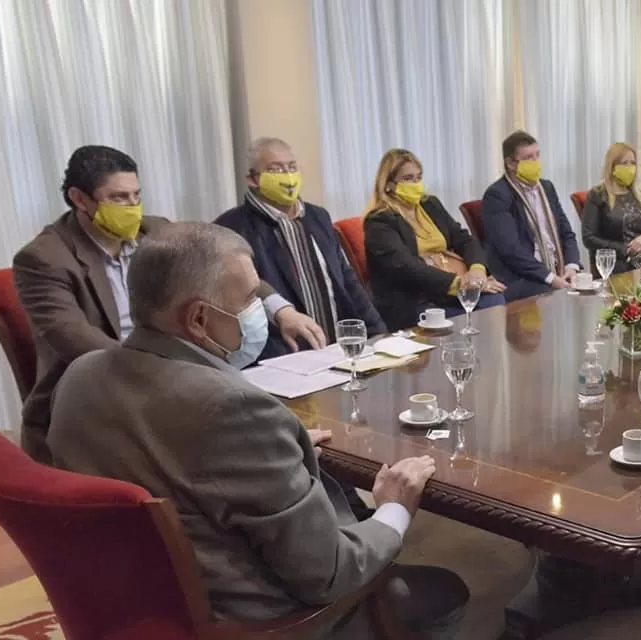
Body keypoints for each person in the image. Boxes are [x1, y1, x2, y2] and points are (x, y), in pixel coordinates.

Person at [47, 222, 469, 637]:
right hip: (257, 623)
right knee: (447, 590)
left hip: (130, 605)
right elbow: (331, 574)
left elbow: (175, 463)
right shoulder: (234, 408)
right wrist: (393, 508)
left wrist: (279, 457)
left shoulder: (79, 376)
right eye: (250, 298)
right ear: (198, 318)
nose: (259, 310)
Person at [12, 145, 323, 464]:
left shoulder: (156, 231)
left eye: (136, 195)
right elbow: (75, 339)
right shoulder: (43, 258)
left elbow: (228, 267)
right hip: (97, 404)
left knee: (263, 437)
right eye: (118, 198)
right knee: (247, 454)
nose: (132, 207)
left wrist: (281, 309)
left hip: (175, 383)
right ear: (79, 198)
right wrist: (170, 376)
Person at [216, 137, 386, 359]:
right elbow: (244, 285)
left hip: (338, 347)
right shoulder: (232, 226)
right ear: (252, 179)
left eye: (292, 167)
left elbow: (346, 278)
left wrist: (378, 331)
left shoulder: (318, 217)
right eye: (275, 169)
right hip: (285, 354)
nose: (287, 176)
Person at [364, 148, 505, 331]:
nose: (416, 183)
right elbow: (406, 267)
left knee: (494, 300)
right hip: (415, 298)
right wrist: (460, 284)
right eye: (408, 178)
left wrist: (477, 271)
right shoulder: (379, 221)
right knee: (465, 319)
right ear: (389, 184)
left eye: (418, 177)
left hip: (448, 288)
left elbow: (464, 240)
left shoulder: (430, 204)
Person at [482, 130, 582, 301]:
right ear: (510, 163)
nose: (536, 162)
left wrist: (571, 267)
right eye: (529, 158)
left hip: (557, 270)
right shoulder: (497, 195)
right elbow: (512, 251)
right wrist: (551, 278)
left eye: (537, 155)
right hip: (521, 277)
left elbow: (566, 233)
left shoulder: (547, 187)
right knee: (559, 296)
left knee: (588, 291)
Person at [581, 142, 641, 273]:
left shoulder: (640, 196)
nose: (630, 167)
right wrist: (625, 249)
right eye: (624, 163)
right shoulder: (598, 195)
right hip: (620, 260)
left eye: (633, 163)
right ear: (612, 167)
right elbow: (589, 238)